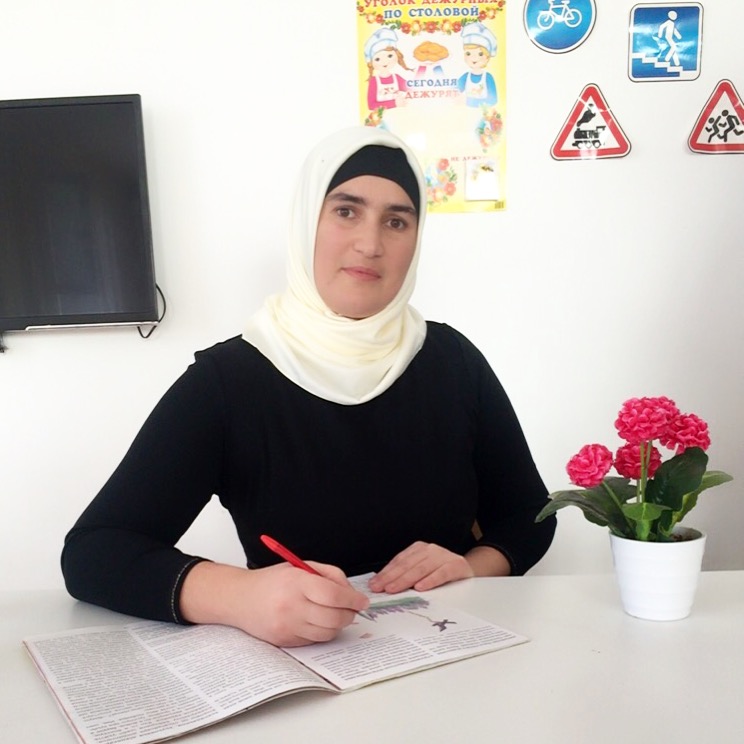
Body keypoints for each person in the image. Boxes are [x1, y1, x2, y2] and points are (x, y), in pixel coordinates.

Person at [61, 126, 556, 648]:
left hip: (452, 647)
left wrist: (473, 566)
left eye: (396, 221)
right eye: (346, 211)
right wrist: (238, 595)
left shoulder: (453, 360)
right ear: (305, 223)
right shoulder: (228, 381)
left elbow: (530, 513)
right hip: (306, 663)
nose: (370, 244)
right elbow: (94, 552)